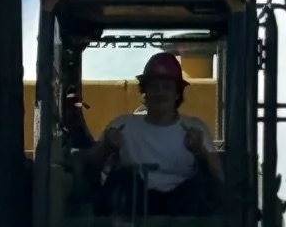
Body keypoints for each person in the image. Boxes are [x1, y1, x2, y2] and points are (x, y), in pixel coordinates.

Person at [84, 51, 222, 214]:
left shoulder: (195, 128)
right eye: (154, 87)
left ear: (177, 93)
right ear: (145, 92)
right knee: (124, 177)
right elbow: (89, 164)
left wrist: (200, 151)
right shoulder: (122, 125)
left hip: (182, 205)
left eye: (167, 87)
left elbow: (219, 176)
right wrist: (107, 146)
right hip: (134, 204)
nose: (160, 93)